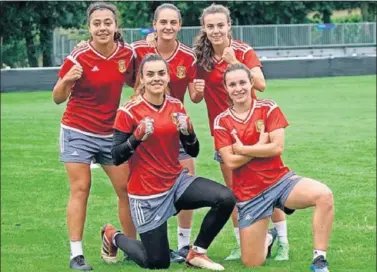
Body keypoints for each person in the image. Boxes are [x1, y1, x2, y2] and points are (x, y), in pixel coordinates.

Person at [101, 53, 236, 270]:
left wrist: (189, 132)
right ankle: (113, 236)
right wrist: (136, 137)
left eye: (161, 73)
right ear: (142, 79)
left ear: (168, 77)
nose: (157, 78)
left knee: (225, 198)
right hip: (147, 194)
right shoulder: (128, 111)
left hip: (176, 183)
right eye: (150, 74)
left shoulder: (176, 106)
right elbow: (116, 156)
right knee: (157, 263)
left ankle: (196, 252)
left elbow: (193, 149)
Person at [193, 3, 290, 261]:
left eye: (220, 25)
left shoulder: (243, 51)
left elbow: (261, 84)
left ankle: (282, 241)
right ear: (204, 28)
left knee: (269, 185)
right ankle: (240, 242)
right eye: (210, 26)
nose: (216, 31)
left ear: (229, 26)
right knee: (234, 190)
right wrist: (198, 92)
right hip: (224, 135)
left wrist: (234, 61)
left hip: (254, 131)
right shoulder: (201, 58)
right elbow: (194, 97)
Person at [213, 63, 334, 271]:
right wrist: (260, 146)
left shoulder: (268, 108)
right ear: (226, 88)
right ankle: (268, 238)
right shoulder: (221, 121)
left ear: (251, 82)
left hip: (279, 182)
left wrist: (243, 149)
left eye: (242, 82)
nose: (238, 88)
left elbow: (277, 147)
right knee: (252, 263)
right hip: (249, 195)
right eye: (232, 84)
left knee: (324, 195)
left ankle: (319, 260)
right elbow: (230, 162)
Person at [52, 2, 136, 270]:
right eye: (97, 23)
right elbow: (57, 97)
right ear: (89, 28)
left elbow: (137, 81)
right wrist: (66, 80)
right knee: (81, 188)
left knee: (127, 189)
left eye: (107, 22)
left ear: (115, 26)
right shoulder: (78, 56)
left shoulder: (127, 54)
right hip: (77, 131)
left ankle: (132, 249)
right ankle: (76, 255)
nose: (102, 27)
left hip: (110, 133)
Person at [129, 4, 205, 262]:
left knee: (187, 184)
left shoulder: (188, 56)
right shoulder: (139, 50)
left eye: (173, 22)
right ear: (155, 24)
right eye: (163, 22)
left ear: (180, 25)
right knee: (141, 185)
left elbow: (194, 96)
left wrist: (199, 92)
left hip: (175, 127)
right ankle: (144, 240)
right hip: (146, 130)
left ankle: (184, 245)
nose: (168, 27)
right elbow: (126, 78)